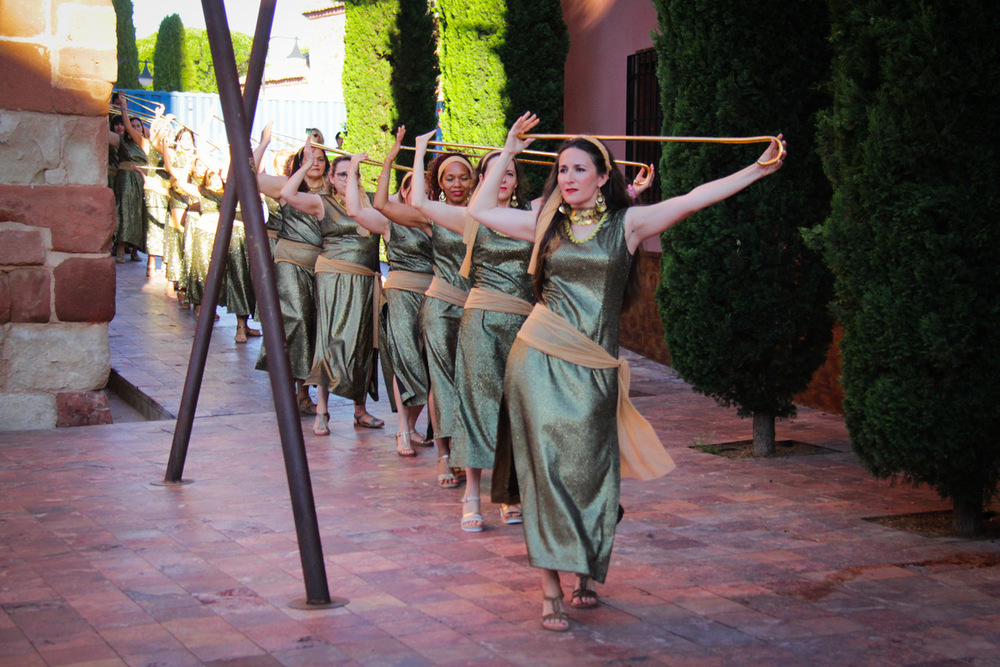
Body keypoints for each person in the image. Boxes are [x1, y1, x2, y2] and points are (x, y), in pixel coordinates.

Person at [468, 112, 786, 632]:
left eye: (578, 169)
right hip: (536, 360)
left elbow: (693, 198)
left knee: (590, 472)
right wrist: (507, 149)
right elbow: (481, 209)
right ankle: (549, 589)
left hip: (594, 369)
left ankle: (585, 567)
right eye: (561, 169)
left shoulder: (629, 224)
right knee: (545, 474)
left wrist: (755, 169)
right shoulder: (543, 222)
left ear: (601, 176)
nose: (567, 177)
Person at [446, 149, 533, 533]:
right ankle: (473, 495)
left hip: (523, 325)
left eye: (509, 172)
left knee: (515, 408)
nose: (502, 179)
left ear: (517, 181)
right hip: (480, 321)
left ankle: (510, 493)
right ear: (482, 178)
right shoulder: (470, 218)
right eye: (495, 171)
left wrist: (629, 191)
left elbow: (581, 215)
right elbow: (415, 201)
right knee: (477, 405)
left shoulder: (532, 217)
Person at [279, 146, 384, 435]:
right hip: (332, 278)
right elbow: (288, 194)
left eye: (355, 174)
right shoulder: (322, 202)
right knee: (330, 340)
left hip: (364, 279)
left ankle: (359, 410)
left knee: (363, 342)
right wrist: (308, 164)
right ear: (331, 178)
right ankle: (322, 411)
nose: (349, 179)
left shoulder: (372, 202)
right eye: (342, 174)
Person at [410, 130, 478, 490]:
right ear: (439, 182)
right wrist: (419, 151)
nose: (456, 183)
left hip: (476, 309)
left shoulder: (488, 215)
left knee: (470, 381)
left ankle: (468, 452)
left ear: (474, 180)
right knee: (443, 380)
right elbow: (380, 207)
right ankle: (443, 453)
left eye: (463, 176)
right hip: (439, 306)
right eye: (448, 177)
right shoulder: (432, 214)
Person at [253, 124, 328, 415]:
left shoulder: (334, 191)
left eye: (321, 158)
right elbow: (251, 177)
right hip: (290, 267)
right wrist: (264, 143)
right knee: (294, 321)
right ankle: (290, 389)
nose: (316, 162)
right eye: (309, 157)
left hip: (322, 271)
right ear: (299, 162)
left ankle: (303, 392)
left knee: (313, 328)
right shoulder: (287, 188)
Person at [371, 128, 435, 457]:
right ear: (405, 189)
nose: (420, 192)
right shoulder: (391, 219)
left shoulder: (434, 219)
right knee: (405, 360)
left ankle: (411, 425)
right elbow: (366, 206)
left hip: (433, 297)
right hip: (400, 294)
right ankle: (401, 430)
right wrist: (389, 160)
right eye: (414, 186)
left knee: (425, 363)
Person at [112, 97, 156, 263]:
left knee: (140, 214)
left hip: (141, 180)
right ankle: (121, 247)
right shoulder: (122, 140)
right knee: (124, 212)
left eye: (139, 126)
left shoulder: (145, 143)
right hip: (125, 180)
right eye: (134, 126)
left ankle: (135, 250)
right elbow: (125, 127)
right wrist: (122, 107)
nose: (135, 129)